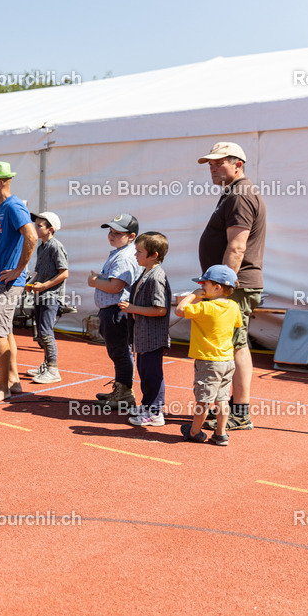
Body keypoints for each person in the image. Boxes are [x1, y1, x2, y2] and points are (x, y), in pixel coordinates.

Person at [196, 142, 266, 431]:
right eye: (210, 164)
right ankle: (229, 407)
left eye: (219, 163)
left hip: (235, 287)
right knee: (233, 344)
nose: (212, 168)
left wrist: (221, 289)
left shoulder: (240, 195)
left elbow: (237, 248)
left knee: (236, 345)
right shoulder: (232, 193)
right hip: (232, 285)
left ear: (238, 164)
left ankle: (239, 412)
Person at [0, 162, 36, 403]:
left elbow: (31, 236)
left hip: (5, 282)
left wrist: (18, 270)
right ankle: (12, 381)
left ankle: (2, 387)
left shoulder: (14, 207)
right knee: (6, 331)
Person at [175, 265, 242, 447]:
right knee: (222, 398)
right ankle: (220, 433)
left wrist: (193, 295)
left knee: (203, 400)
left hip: (208, 361)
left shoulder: (205, 307)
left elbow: (180, 310)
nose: (202, 286)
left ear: (217, 287)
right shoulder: (234, 306)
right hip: (227, 360)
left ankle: (194, 431)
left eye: (205, 284)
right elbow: (237, 324)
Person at [89, 214, 143, 409]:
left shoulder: (125, 256)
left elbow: (115, 286)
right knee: (118, 352)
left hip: (116, 311)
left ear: (131, 236)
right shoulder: (121, 253)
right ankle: (121, 389)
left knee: (120, 352)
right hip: (112, 310)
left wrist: (94, 281)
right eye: (110, 232)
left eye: (117, 233)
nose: (111, 235)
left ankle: (124, 393)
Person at [118, 232, 172, 426]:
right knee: (144, 371)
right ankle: (148, 404)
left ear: (154, 255)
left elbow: (160, 309)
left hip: (152, 336)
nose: (135, 255)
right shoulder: (146, 272)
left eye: (139, 252)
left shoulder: (156, 277)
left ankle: (156, 412)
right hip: (142, 334)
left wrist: (133, 308)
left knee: (152, 373)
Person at [25, 210, 68, 385]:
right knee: (42, 333)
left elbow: (64, 273)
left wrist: (43, 286)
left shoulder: (56, 246)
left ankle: (53, 369)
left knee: (46, 332)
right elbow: (40, 272)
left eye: (39, 225)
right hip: (41, 295)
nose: (36, 228)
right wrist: (32, 283)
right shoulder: (42, 246)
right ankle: (46, 365)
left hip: (51, 297)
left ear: (50, 229)